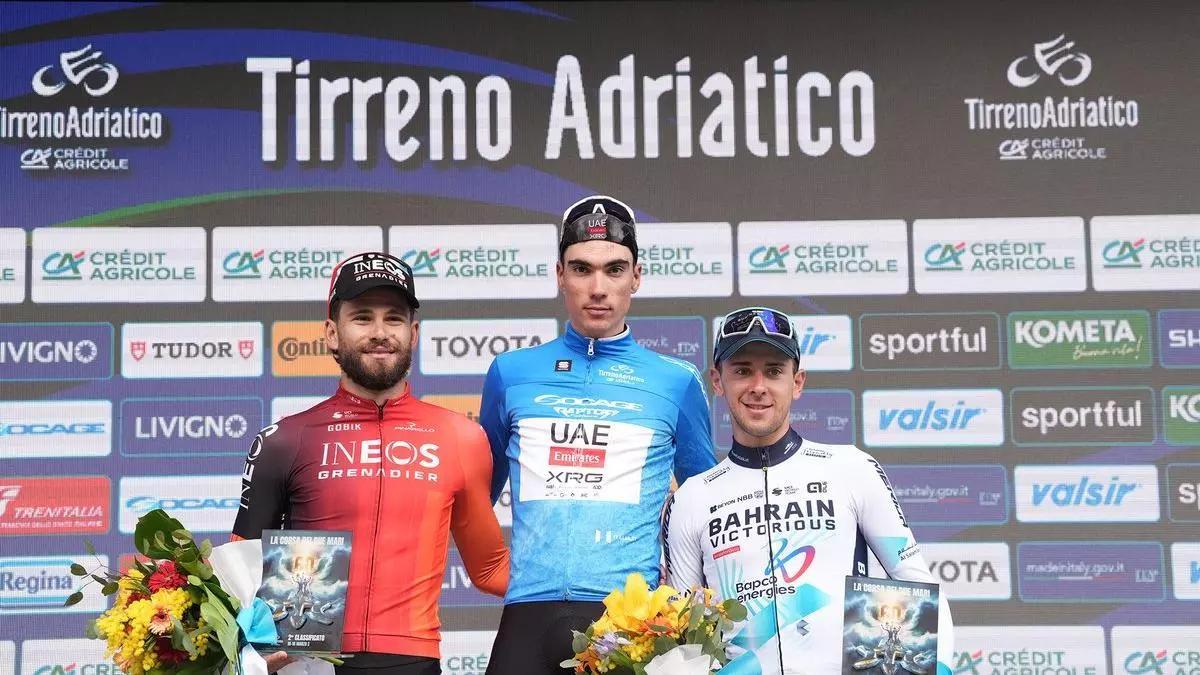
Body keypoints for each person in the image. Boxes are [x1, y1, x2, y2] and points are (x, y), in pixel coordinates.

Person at [232, 251, 509, 675]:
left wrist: (595, 586)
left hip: (412, 660)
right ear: (331, 333)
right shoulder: (284, 439)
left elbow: (491, 568)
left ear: (414, 333)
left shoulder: (461, 438)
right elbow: (239, 573)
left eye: (394, 318)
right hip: (305, 659)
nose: (380, 332)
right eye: (362, 317)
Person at [479, 195, 717, 674]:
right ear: (560, 275)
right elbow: (475, 495)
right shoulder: (510, 373)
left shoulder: (676, 381)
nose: (598, 288)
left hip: (631, 623)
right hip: (527, 613)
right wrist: (496, 572)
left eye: (614, 269)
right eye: (582, 269)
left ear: (637, 277)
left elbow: (706, 507)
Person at [663, 307, 954, 674]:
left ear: (797, 382)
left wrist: (937, 666)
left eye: (773, 371)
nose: (758, 386)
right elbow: (684, 635)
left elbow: (916, 582)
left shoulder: (850, 468)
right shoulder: (693, 498)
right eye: (742, 371)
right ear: (717, 381)